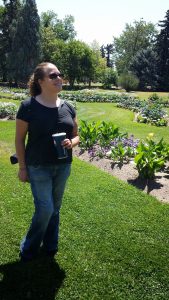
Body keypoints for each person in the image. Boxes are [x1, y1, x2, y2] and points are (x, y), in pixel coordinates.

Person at [15, 62, 79, 261]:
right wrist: (22, 167)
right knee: (46, 208)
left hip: (63, 166)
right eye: (53, 75)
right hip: (38, 166)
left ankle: (50, 245)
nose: (59, 78)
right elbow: (19, 139)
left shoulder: (68, 106)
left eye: (60, 74)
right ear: (41, 81)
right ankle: (29, 247)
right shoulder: (28, 107)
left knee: (55, 208)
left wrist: (72, 142)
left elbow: (77, 135)